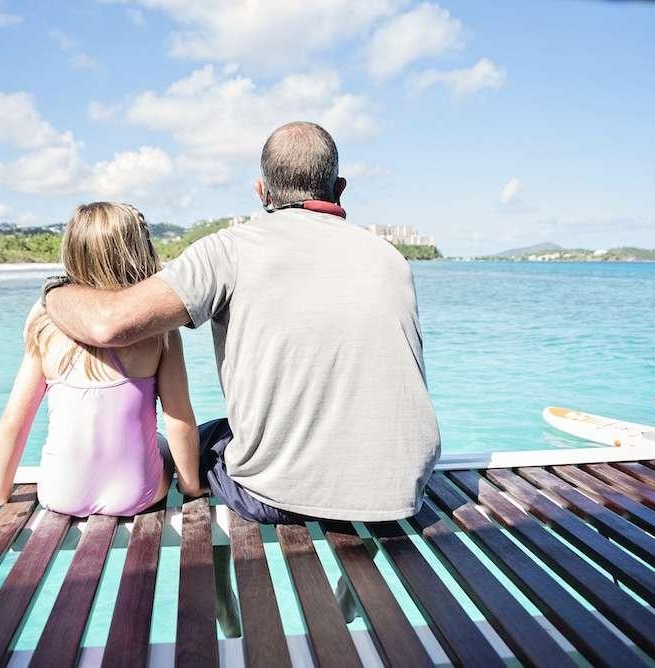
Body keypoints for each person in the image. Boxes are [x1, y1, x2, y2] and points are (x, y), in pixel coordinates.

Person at [45, 121, 440, 523]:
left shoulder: (230, 249)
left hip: (279, 498)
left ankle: (216, 586)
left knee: (196, 444)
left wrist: (54, 292)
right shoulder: (390, 258)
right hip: (402, 493)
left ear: (261, 191)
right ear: (339, 189)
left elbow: (107, 325)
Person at [0, 202, 203, 515]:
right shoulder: (160, 332)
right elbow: (179, 419)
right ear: (140, 249)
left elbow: (16, 419)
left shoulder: (45, 325)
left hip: (58, 493)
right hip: (137, 494)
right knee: (159, 442)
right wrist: (191, 486)